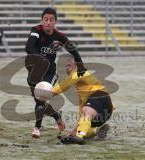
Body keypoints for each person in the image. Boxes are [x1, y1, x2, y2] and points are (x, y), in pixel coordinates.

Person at [25, 7, 87, 138]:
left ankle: (37, 127)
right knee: (39, 101)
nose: (48, 22)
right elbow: (28, 46)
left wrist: (80, 66)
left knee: (41, 98)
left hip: (49, 72)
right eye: (45, 19)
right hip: (34, 72)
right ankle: (57, 116)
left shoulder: (59, 36)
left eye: (51, 20)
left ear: (55, 22)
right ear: (42, 20)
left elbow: (73, 51)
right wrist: (39, 57)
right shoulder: (36, 31)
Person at [52, 58, 114, 145]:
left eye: (69, 65)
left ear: (77, 65)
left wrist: (49, 92)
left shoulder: (81, 72)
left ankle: (79, 136)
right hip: (105, 113)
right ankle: (98, 130)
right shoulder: (81, 90)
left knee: (86, 114)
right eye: (65, 66)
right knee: (82, 128)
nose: (66, 68)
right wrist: (74, 131)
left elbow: (64, 85)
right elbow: (82, 108)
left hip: (99, 96)